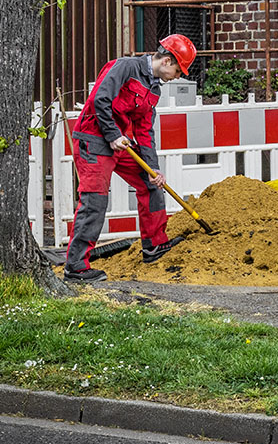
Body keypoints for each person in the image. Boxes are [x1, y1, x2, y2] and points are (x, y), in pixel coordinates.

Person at [63, 34, 197, 283]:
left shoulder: (153, 87)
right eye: (179, 71)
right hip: (93, 139)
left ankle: (154, 246)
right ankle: (76, 267)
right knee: (95, 200)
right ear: (167, 61)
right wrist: (113, 134)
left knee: (152, 184)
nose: (178, 77)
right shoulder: (125, 67)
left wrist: (153, 168)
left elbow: (145, 130)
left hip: (120, 145)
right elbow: (99, 99)